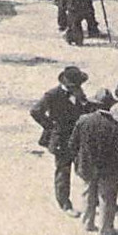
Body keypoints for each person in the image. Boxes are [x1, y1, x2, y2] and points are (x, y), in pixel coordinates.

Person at [30, 66, 92, 214]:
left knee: (86, 167)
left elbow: (84, 107)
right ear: (67, 83)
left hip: (77, 137)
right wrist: (50, 127)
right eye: (75, 86)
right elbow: (35, 111)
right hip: (61, 139)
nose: (78, 88)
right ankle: (65, 203)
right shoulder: (52, 95)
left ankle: (93, 200)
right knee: (63, 172)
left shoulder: (78, 92)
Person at [69, 88, 118, 235]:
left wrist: (78, 161)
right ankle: (106, 229)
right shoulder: (117, 127)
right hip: (109, 169)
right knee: (107, 199)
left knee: (88, 194)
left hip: (87, 166)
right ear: (111, 106)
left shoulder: (83, 121)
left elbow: (72, 144)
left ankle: (87, 223)